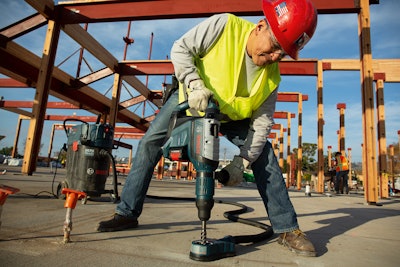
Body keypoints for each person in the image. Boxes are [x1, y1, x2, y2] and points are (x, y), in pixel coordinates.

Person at [97, 0, 318, 257]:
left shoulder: (273, 77)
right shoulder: (224, 26)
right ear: (260, 27)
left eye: (284, 53)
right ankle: (127, 212)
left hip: (231, 117)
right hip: (194, 98)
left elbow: (262, 124)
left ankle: (287, 228)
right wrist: (194, 84)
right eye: (276, 47)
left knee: (265, 156)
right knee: (150, 144)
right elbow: (180, 49)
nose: (275, 57)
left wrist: (243, 162)